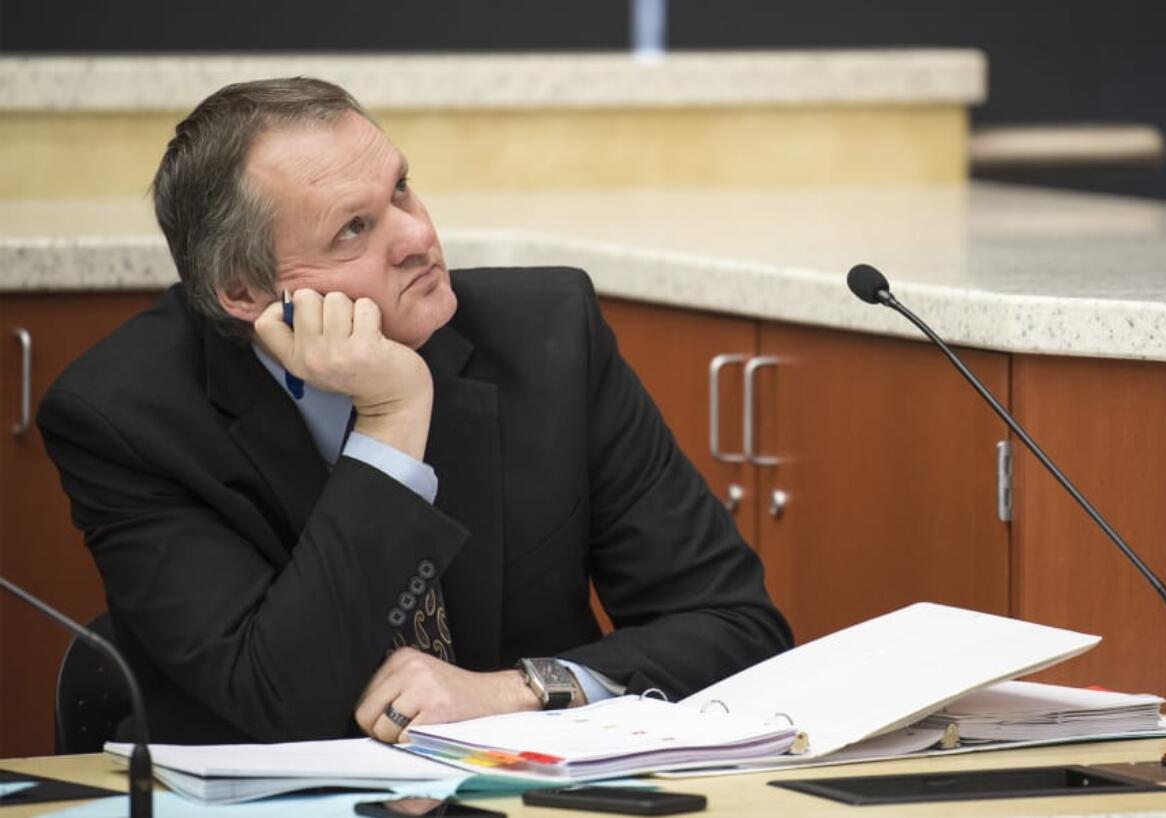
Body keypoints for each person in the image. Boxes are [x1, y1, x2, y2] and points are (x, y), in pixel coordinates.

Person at [38, 77, 792, 745]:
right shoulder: (128, 418)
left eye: (401, 188)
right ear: (245, 294)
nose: (419, 236)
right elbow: (280, 699)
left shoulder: (548, 334)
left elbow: (737, 627)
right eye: (354, 228)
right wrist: (393, 420)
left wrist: (517, 690)